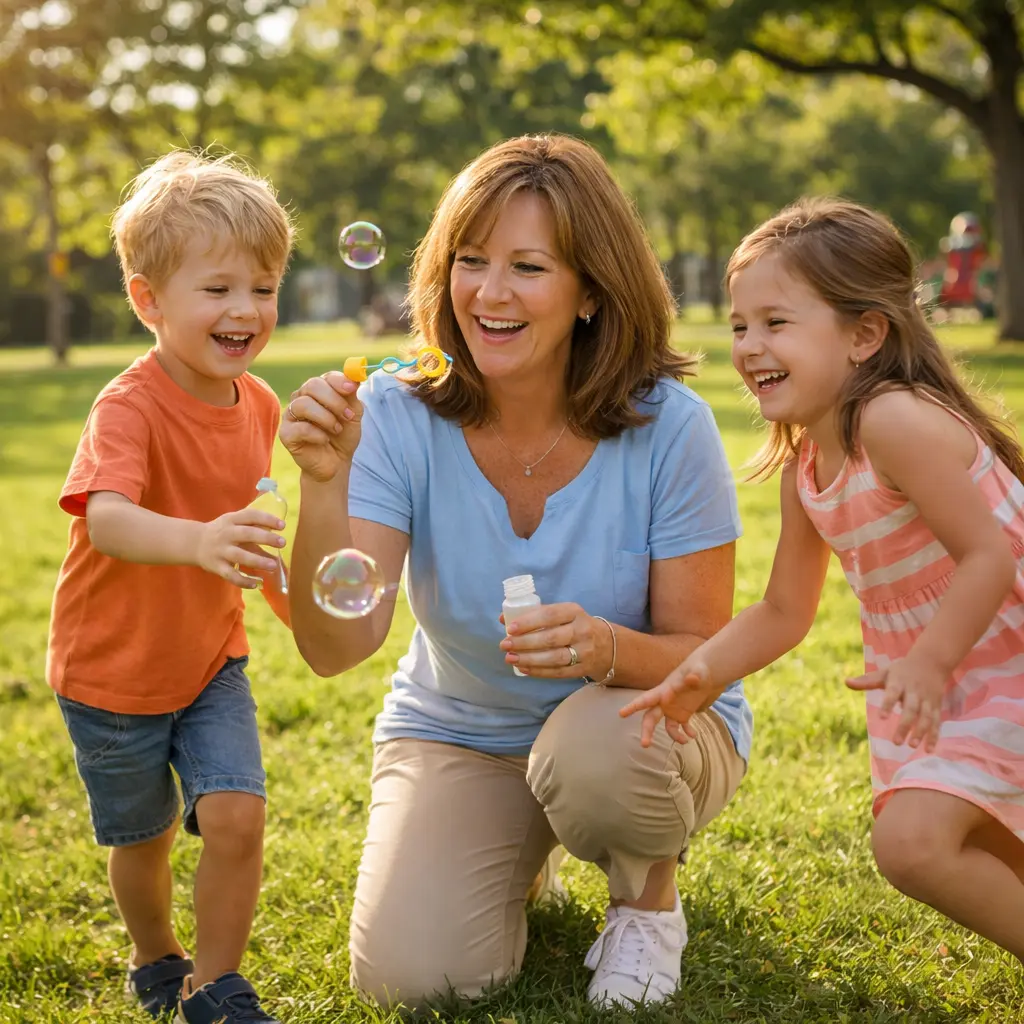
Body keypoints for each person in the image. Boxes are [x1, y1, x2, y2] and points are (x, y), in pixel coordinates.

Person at [280, 134, 753, 1010]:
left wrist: (604, 647)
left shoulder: (669, 426)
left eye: (528, 267)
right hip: (461, 729)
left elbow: (705, 652)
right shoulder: (394, 411)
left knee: (596, 751)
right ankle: (520, 850)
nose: (489, 294)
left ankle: (646, 899)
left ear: (589, 292)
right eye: (469, 260)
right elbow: (337, 645)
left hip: (645, 725)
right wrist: (323, 484)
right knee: (416, 982)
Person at [624, 198, 1024, 965]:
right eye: (741, 326)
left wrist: (929, 662)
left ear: (864, 334)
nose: (749, 346)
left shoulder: (894, 421)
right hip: (942, 672)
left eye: (776, 322)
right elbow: (782, 610)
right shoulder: (807, 460)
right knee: (992, 852)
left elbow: (989, 559)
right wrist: (695, 673)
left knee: (914, 843)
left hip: (994, 657)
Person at [47, 150, 294, 1022]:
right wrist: (200, 541)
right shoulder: (128, 406)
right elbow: (107, 519)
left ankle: (214, 985)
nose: (246, 310)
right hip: (111, 674)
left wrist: (282, 584)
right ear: (149, 301)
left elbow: (246, 526)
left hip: (208, 660)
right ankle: (157, 956)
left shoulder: (259, 404)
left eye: (263, 288)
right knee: (142, 838)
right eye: (219, 288)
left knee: (236, 815)